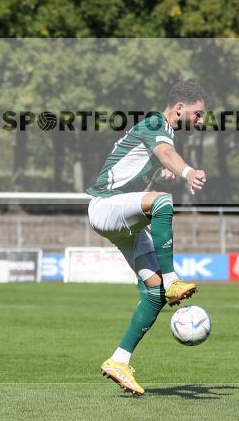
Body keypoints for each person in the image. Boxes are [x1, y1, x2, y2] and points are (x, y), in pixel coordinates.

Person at [86, 80, 207, 395]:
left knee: (154, 295)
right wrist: (186, 171)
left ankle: (119, 360)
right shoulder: (156, 123)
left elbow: (152, 159)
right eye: (198, 113)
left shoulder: (160, 131)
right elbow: (166, 152)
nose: (202, 120)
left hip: (124, 219)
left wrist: (158, 170)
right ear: (179, 108)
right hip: (105, 207)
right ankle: (173, 278)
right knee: (163, 202)